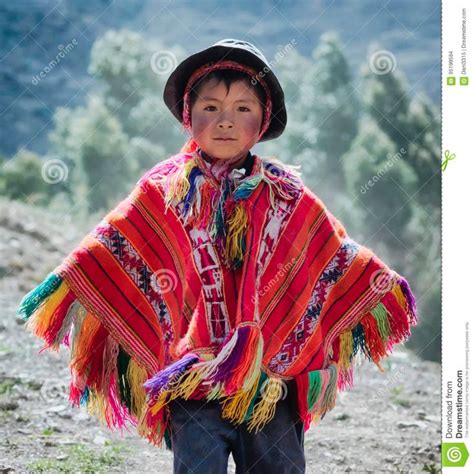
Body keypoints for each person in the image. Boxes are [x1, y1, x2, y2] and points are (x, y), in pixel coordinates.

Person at [17, 39, 418, 474]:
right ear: (189, 116)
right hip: (194, 384)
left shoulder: (288, 197)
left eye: (243, 109)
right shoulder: (162, 191)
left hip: (273, 386)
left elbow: (330, 255)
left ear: (263, 121)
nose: (225, 122)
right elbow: (114, 245)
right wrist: (71, 281)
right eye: (210, 108)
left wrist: (380, 285)